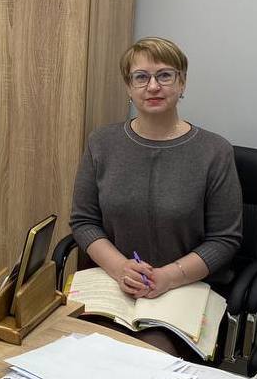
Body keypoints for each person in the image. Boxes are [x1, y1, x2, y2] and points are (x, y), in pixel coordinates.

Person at [69, 36, 241, 353]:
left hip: (182, 289)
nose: (153, 86)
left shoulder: (214, 152)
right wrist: (120, 268)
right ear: (128, 86)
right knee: (76, 351)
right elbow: (84, 221)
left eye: (164, 75)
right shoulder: (101, 143)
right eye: (141, 77)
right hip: (113, 285)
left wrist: (168, 277)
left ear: (182, 83)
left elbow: (224, 240)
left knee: (146, 361)